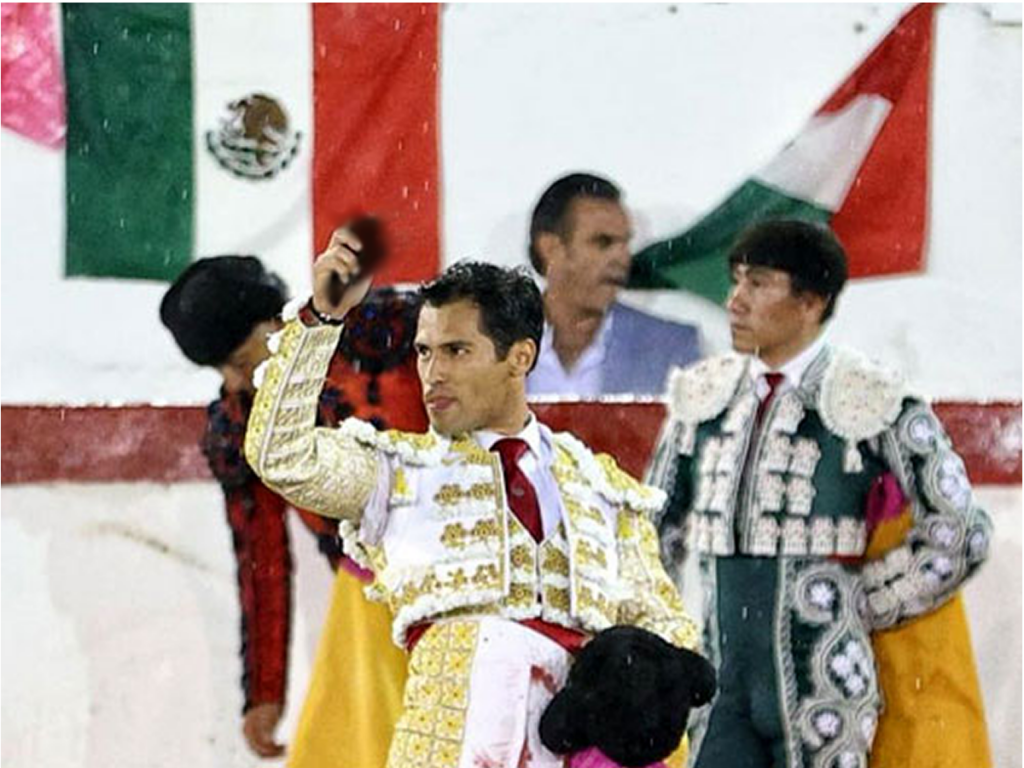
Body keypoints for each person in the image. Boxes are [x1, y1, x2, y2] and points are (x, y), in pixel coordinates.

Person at [244, 231, 701, 768]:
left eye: (457, 351)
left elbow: (668, 633)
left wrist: (628, 683)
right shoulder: (396, 475)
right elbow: (280, 455)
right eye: (423, 352)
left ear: (520, 357)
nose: (433, 374)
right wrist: (319, 322)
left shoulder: (601, 488)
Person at [648, 220, 992, 768]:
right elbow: (649, 531)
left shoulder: (873, 397)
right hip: (716, 686)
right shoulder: (702, 399)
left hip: (827, 686)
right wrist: (659, 633)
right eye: (736, 281)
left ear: (810, 302)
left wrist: (864, 601)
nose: (735, 301)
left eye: (758, 284)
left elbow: (960, 532)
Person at [160, 256, 421, 763]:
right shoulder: (242, 418)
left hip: (480, 580)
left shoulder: (383, 330)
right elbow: (261, 560)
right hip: (372, 613)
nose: (235, 382)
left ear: (280, 322)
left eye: (239, 359)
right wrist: (264, 693)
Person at [526, 172, 702, 397]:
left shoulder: (671, 347)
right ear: (550, 248)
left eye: (625, 243)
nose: (622, 258)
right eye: (603, 242)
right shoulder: (489, 342)